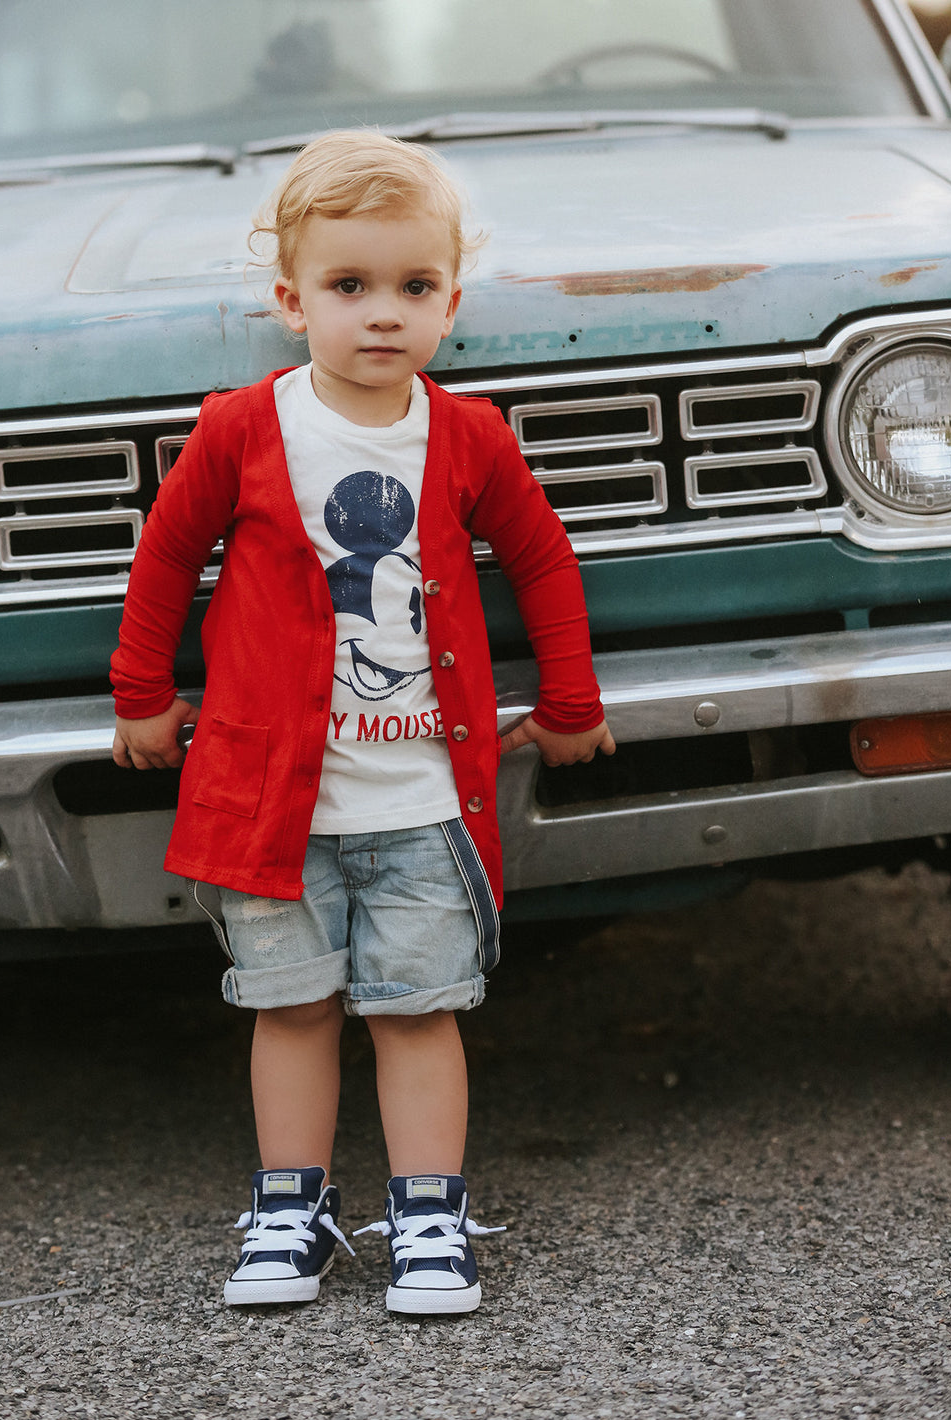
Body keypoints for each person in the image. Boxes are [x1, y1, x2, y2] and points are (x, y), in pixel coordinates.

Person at [110, 130, 615, 1316]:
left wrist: (571, 704)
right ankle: (293, 1206)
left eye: (413, 287)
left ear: (450, 300)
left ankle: (427, 1214)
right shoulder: (243, 427)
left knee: (416, 1008)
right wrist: (141, 694)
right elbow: (166, 555)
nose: (381, 314)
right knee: (289, 1006)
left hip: (426, 799)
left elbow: (542, 561)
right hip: (272, 803)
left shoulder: (468, 435)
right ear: (292, 301)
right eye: (348, 287)